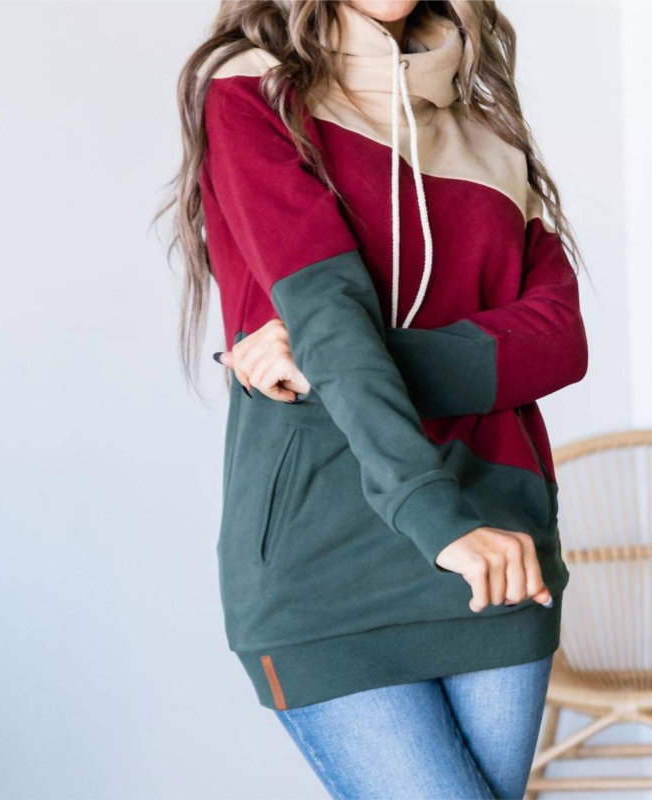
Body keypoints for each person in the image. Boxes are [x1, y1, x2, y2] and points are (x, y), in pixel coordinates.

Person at [163, 0, 588, 797]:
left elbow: (559, 340)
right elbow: (329, 315)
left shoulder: (488, 135)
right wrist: (437, 519)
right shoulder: (252, 91)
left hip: (498, 547)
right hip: (326, 558)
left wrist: (338, 359)